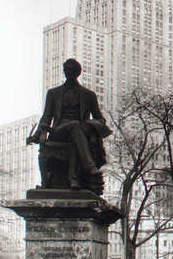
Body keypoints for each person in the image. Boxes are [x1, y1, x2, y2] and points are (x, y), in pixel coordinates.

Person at [27, 58, 112, 192]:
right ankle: (89, 167)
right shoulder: (53, 93)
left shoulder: (89, 95)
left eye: (71, 70)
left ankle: (73, 179)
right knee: (75, 126)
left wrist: (90, 124)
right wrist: (36, 135)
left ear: (78, 73)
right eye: (66, 70)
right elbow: (46, 117)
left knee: (76, 130)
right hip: (58, 132)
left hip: (78, 133)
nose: (68, 73)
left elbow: (100, 119)